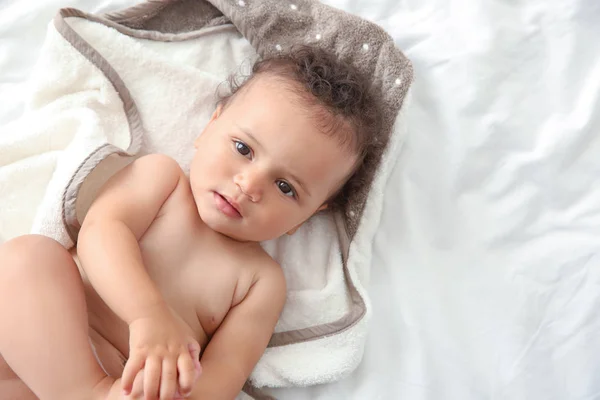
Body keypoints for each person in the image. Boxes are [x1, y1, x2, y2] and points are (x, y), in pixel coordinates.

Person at [0, 45, 382, 400]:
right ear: (209, 128)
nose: (248, 185)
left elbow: (226, 372)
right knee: (27, 257)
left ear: (309, 214)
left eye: (285, 187)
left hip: (132, 385)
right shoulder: (161, 180)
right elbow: (101, 234)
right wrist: (148, 315)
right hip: (46, 341)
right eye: (243, 149)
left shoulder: (260, 282)